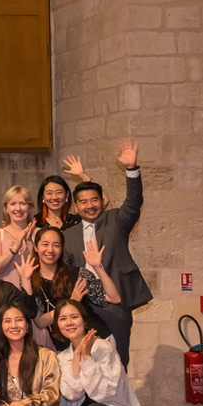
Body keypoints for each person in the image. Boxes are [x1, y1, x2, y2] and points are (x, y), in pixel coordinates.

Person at [62, 138, 149, 369]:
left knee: (118, 362)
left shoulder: (116, 220)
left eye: (94, 200)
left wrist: (131, 168)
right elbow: (64, 269)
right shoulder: (68, 235)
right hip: (83, 307)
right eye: (83, 202)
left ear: (102, 201)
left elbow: (134, 202)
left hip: (115, 303)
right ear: (76, 207)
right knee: (84, 361)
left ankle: (119, 404)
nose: (89, 205)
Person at [29, 227, 119, 351]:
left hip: (96, 340)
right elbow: (40, 322)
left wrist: (98, 267)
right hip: (65, 347)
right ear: (36, 247)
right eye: (45, 244)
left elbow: (114, 298)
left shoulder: (78, 274)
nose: (50, 250)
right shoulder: (31, 281)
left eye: (56, 245)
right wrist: (72, 301)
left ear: (61, 248)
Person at [36, 155, 105, 230]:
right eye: (49, 193)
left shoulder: (77, 220)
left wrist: (82, 175)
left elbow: (104, 200)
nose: (54, 197)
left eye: (59, 192)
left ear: (67, 195)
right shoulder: (35, 223)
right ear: (43, 197)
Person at [0, 186, 37, 286]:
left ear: (30, 208)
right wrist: (13, 249)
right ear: (6, 209)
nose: (18, 208)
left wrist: (29, 242)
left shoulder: (38, 233)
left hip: (35, 295)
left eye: (23, 203)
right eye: (13, 204)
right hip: (6, 297)